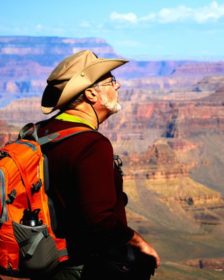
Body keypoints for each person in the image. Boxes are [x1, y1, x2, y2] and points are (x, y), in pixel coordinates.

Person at [36, 50, 160, 280]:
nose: (119, 86)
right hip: (81, 268)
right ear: (92, 93)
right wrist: (139, 244)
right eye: (111, 81)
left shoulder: (39, 132)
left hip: (46, 262)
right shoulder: (92, 145)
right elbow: (100, 221)